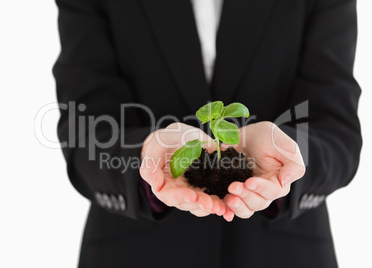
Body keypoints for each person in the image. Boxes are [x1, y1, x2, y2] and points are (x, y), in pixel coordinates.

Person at [53, 0, 362, 267]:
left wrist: (288, 157)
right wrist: (147, 155)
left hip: (282, 252)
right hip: (134, 252)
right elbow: (85, 127)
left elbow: (335, 128)